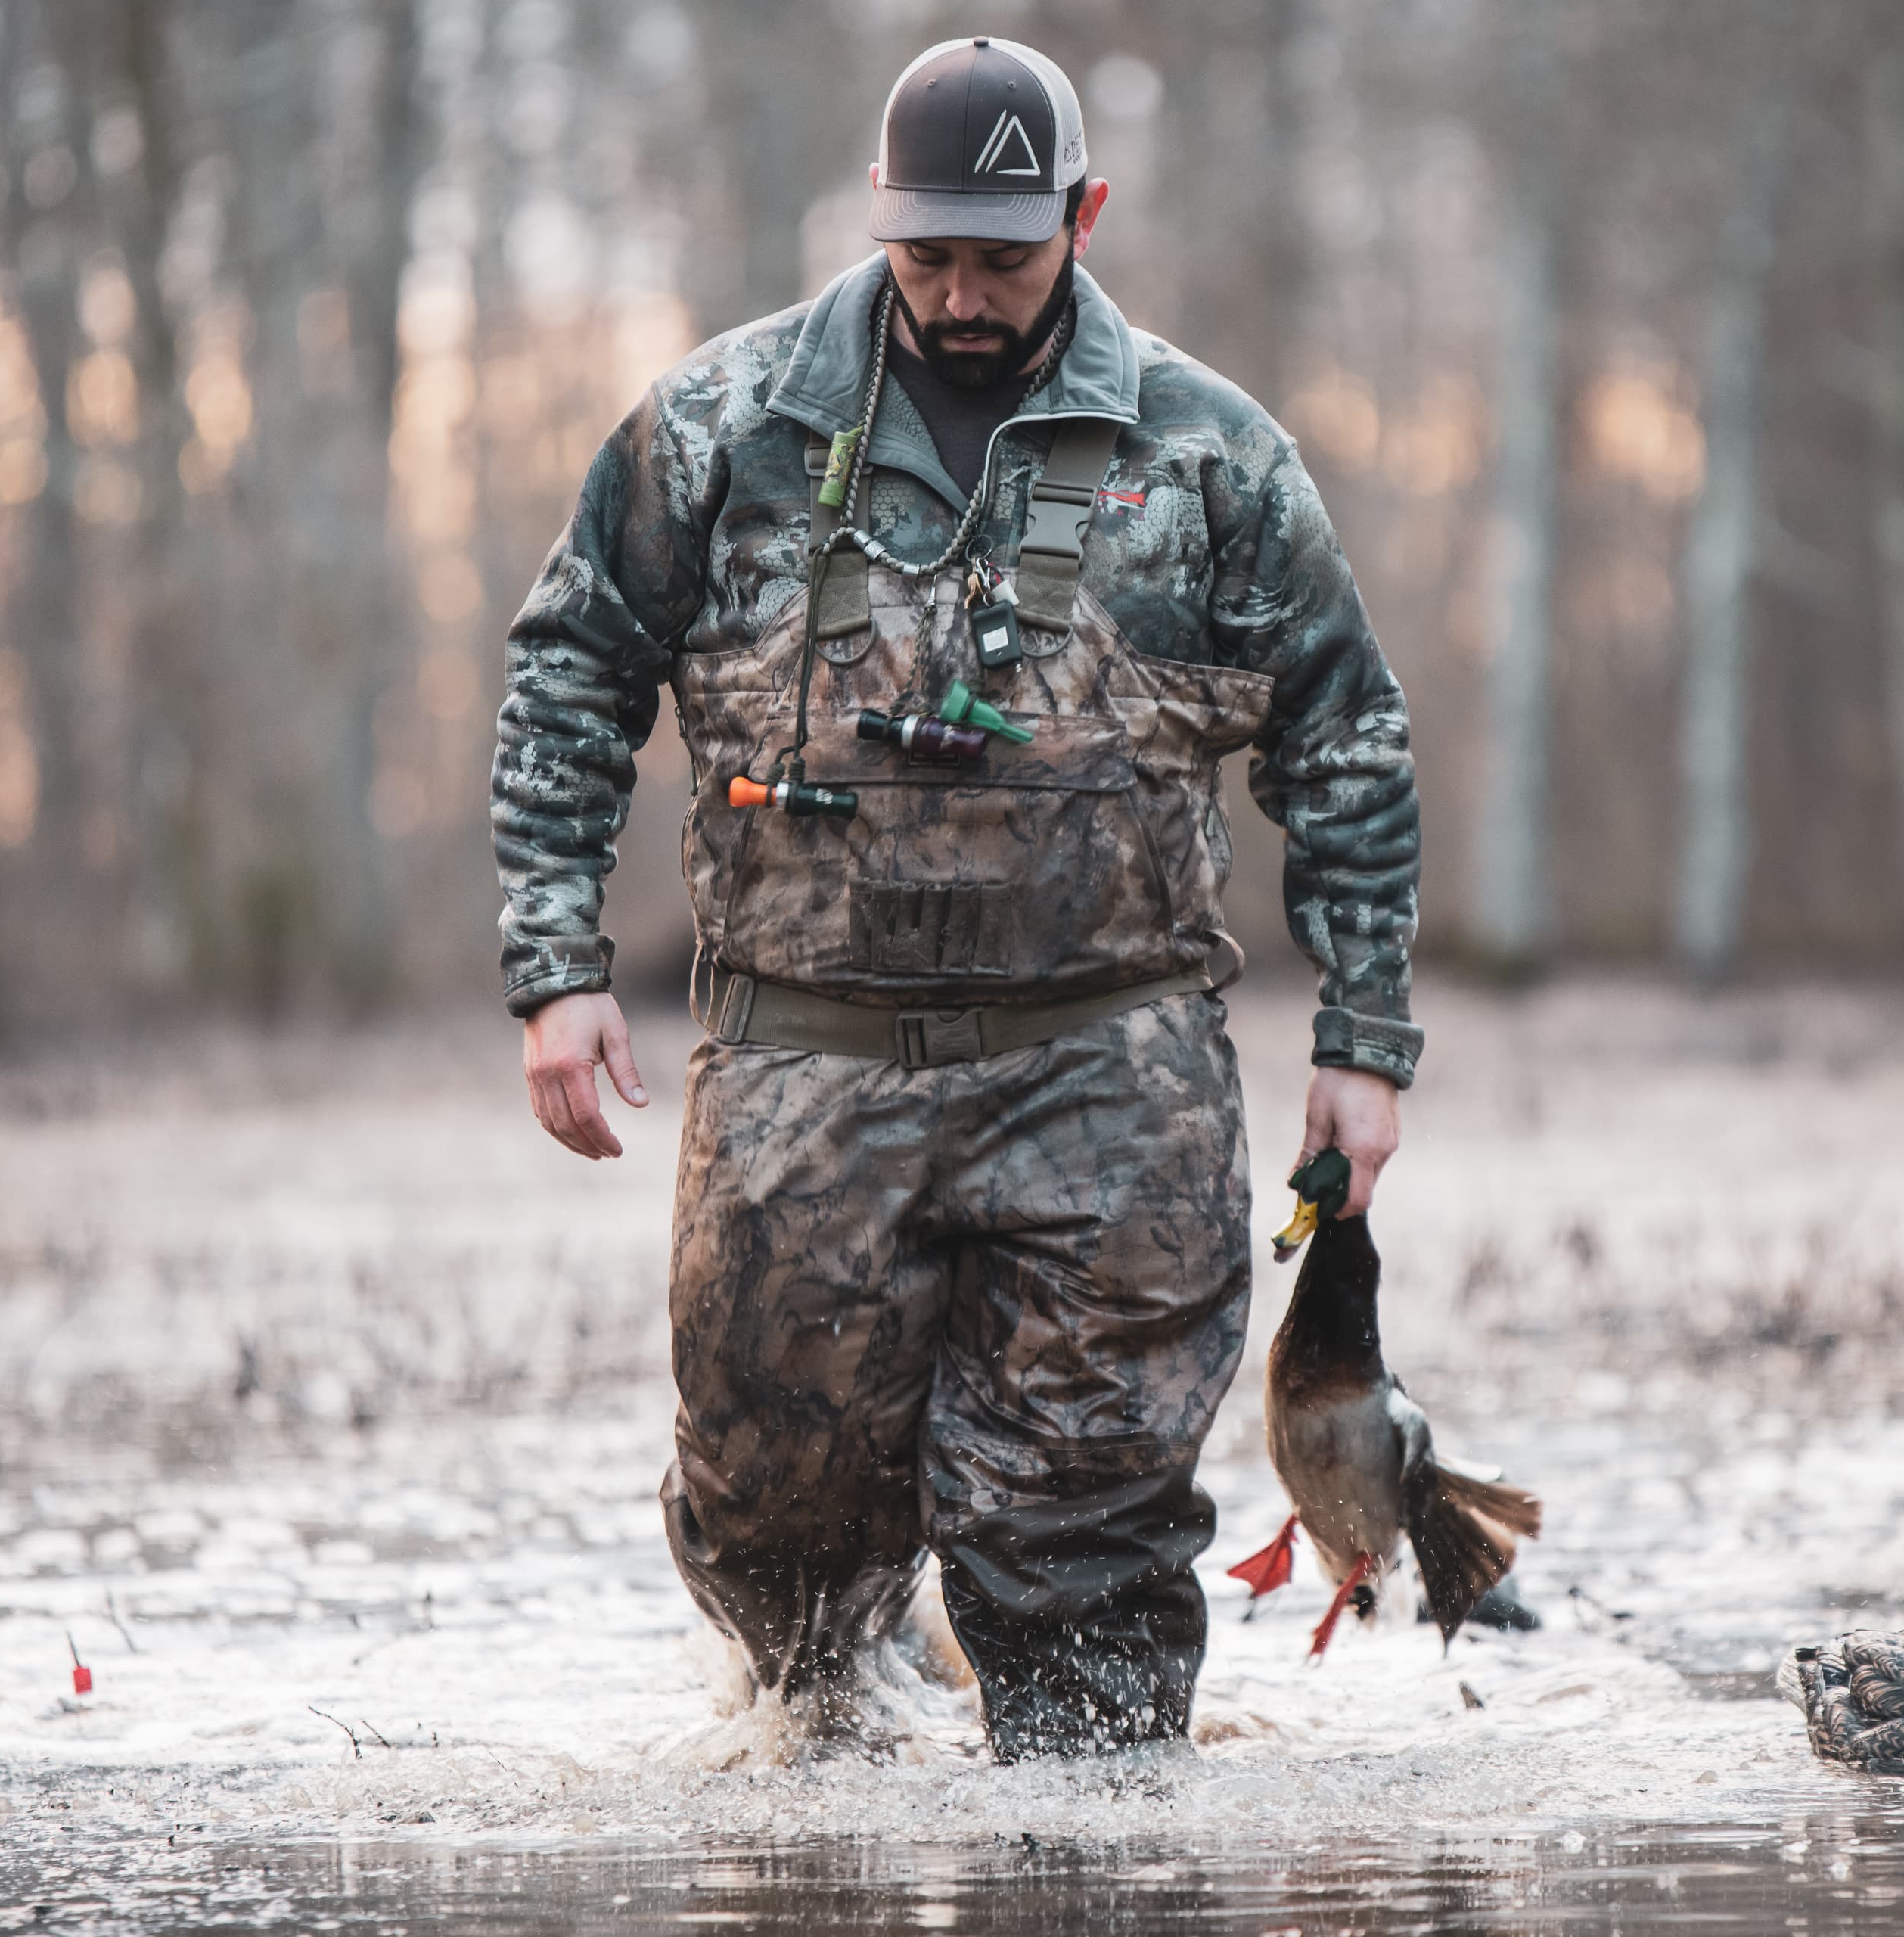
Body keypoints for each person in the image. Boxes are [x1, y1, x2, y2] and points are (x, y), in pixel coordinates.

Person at [490, 35, 1422, 1757]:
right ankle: (833, 1748)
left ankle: (1086, 1841)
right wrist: (557, 964)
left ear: (1088, 211)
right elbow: (567, 680)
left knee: (1083, 1542)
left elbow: (1346, 738)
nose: (965, 292)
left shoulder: (1214, 454)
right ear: (878, 213)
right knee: (776, 1515)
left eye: (1006, 252)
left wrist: (1364, 1039)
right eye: (931, 254)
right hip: (803, 1065)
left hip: (1110, 1074)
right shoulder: (720, 426)